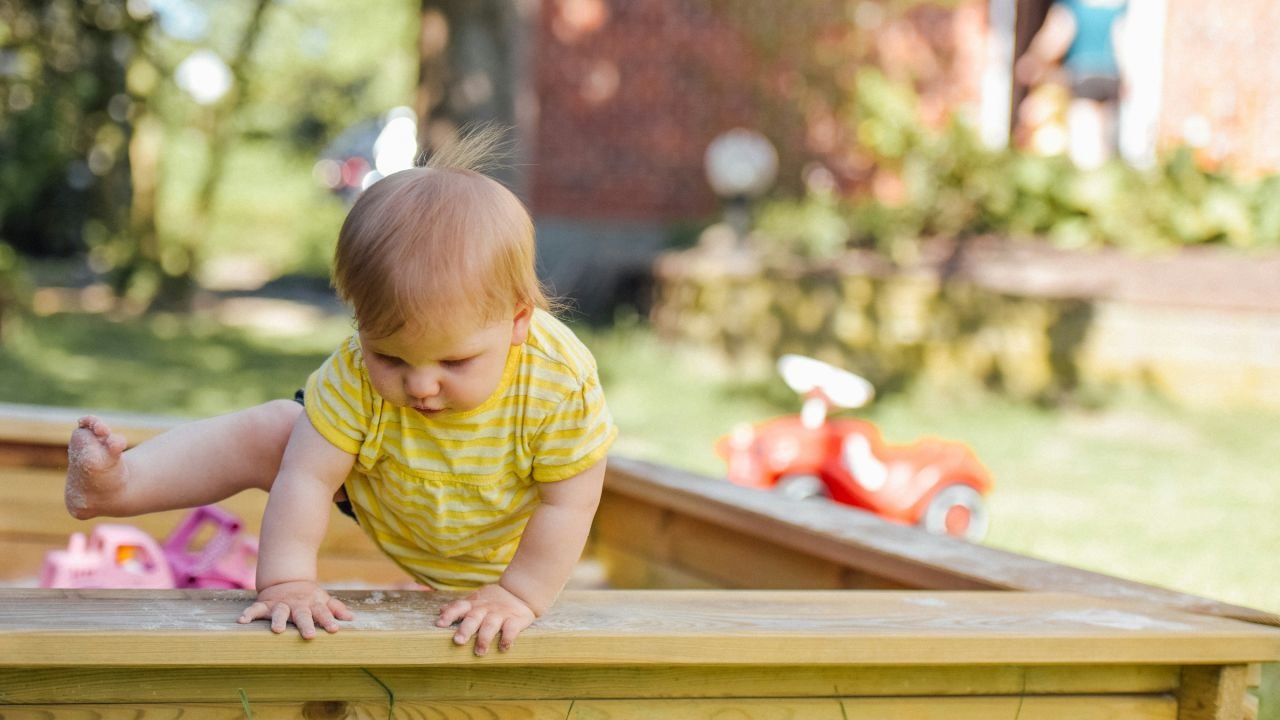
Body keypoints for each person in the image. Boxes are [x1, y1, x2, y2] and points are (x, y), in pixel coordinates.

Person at [64, 127, 617, 656]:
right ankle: (120, 485)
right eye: (391, 357)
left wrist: (518, 594)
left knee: (544, 525)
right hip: (392, 490)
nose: (421, 385)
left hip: (505, 540)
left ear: (518, 321)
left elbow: (570, 501)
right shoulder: (353, 372)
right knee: (278, 431)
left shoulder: (556, 382)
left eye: (455, 360)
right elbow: (306, 478)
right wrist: (286, 582)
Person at [1015, 0, 1128, 169]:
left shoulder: (1074, 5)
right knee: (1106, 141)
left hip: (1083, 72)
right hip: (1111, 75)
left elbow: (1057, 34)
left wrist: (1035, 59)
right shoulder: (1118, 6)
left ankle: (1085, 180)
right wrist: (1126, 76)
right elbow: (1122, 40)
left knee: (1084, 140)